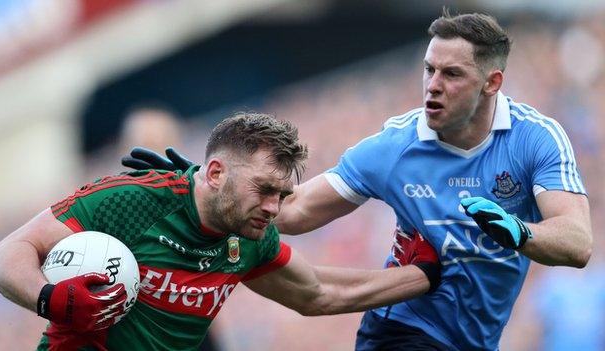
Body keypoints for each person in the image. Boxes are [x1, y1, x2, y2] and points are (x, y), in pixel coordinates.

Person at [123, 11, 593, 351]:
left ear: (492, 83)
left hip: (476, 337)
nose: (432, 84)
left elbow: (576, 243)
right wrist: (210, 188)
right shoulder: (394, 147)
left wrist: (519, 231)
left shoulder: (536, 140)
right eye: (429, 69)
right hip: (403, 328)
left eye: (452, 74)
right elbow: (296, 211)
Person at [0, 113, 441, 351]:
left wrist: (422, 275)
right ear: (216, 172)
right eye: (264, 189)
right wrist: (50, 298)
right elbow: (3, 256)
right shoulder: (128, 200)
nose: (273, 207)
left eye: (282, 194)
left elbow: (317, 292)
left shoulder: (250, 236)